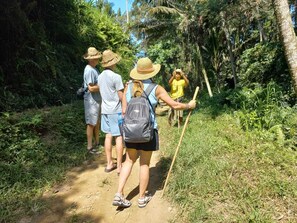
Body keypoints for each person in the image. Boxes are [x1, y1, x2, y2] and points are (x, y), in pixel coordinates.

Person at [112, 57, 196, 208]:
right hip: (148, 131)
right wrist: (189, 105)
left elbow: (124, 111)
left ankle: (119, 193)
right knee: (144, 164)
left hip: (130, 131)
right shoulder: (156, 88)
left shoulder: (128, 87)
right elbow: (174, 105)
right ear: (152, 72)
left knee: (129, 161)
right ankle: (142, 198)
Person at [89, 49, 124, 175]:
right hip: (116, 111)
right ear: (113, 62)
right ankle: (119, 166)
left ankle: (109, 163)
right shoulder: (116, 77)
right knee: (119, 137)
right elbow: (121, 96)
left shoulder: (100, 76)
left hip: (105, 111)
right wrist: (126, 106)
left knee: (108, 136)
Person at [83, 47, 102, 154]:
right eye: (96, 58)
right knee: (91, 123)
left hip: (96, 99)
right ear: (91, 59)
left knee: (96, 122)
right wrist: (103, 86)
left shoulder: (94, 69)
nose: (97, 59)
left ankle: (97, 142)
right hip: (91, 100)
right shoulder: (89, 70)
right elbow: (91, 88)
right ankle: (89, 147)